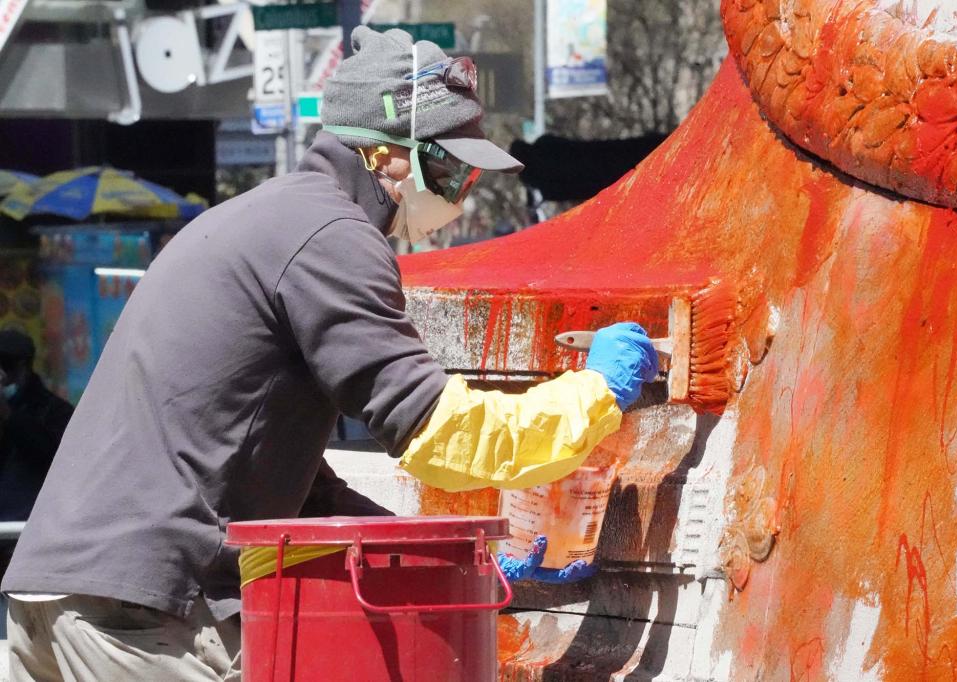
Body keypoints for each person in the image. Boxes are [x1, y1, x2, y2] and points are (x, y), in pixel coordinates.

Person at [1, 26, 658, 680]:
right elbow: (440, 434)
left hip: (60, 598)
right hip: (138, 614)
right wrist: (595, 393)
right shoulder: (328, 236)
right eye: (454, 167)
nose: (466, 191)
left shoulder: (267, 218)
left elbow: (300, 492)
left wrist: (456, 557)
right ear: (383, 154)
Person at [0, 330, 74, 579]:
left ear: (21, 365)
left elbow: (55, 459)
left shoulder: (53, 411)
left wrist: (9, 416)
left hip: (27, 535)